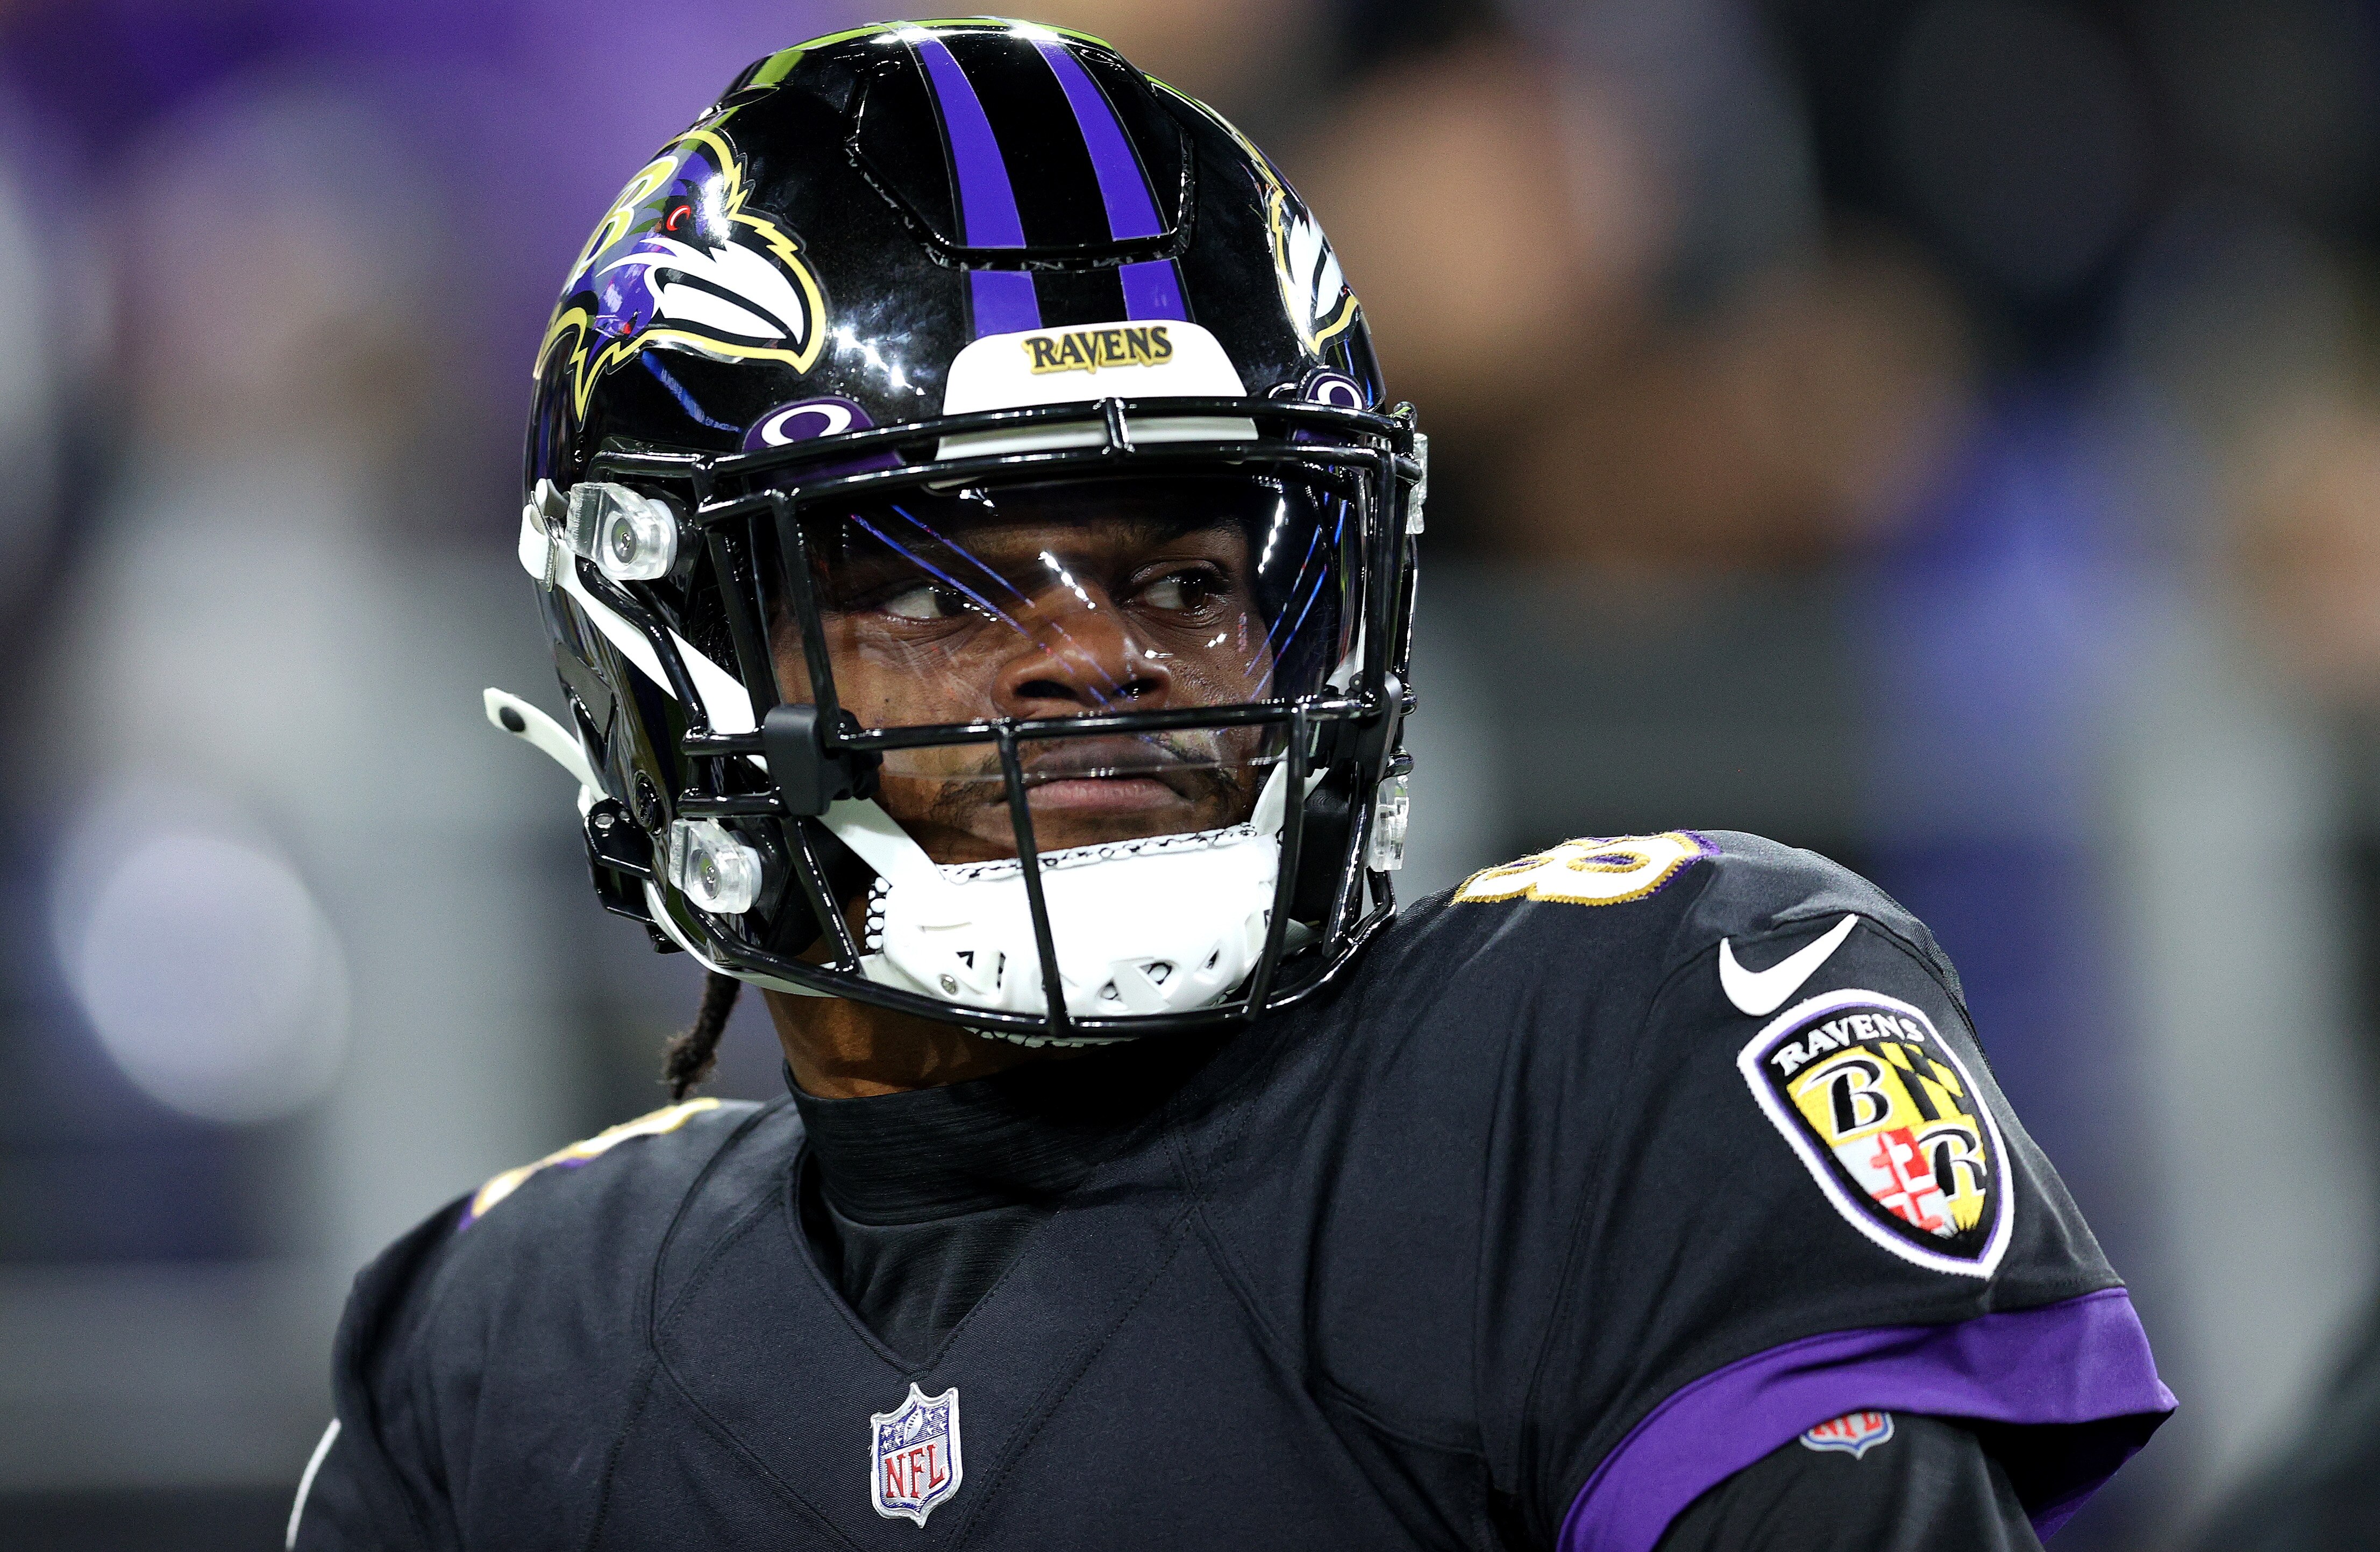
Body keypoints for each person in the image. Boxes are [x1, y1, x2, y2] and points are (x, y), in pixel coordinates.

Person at [287, 20, 2173, 1550]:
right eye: (938, 584)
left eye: (1183, 576)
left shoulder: (1606, 1060)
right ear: (670, 655)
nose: (1098, 653)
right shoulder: (503, 1352)